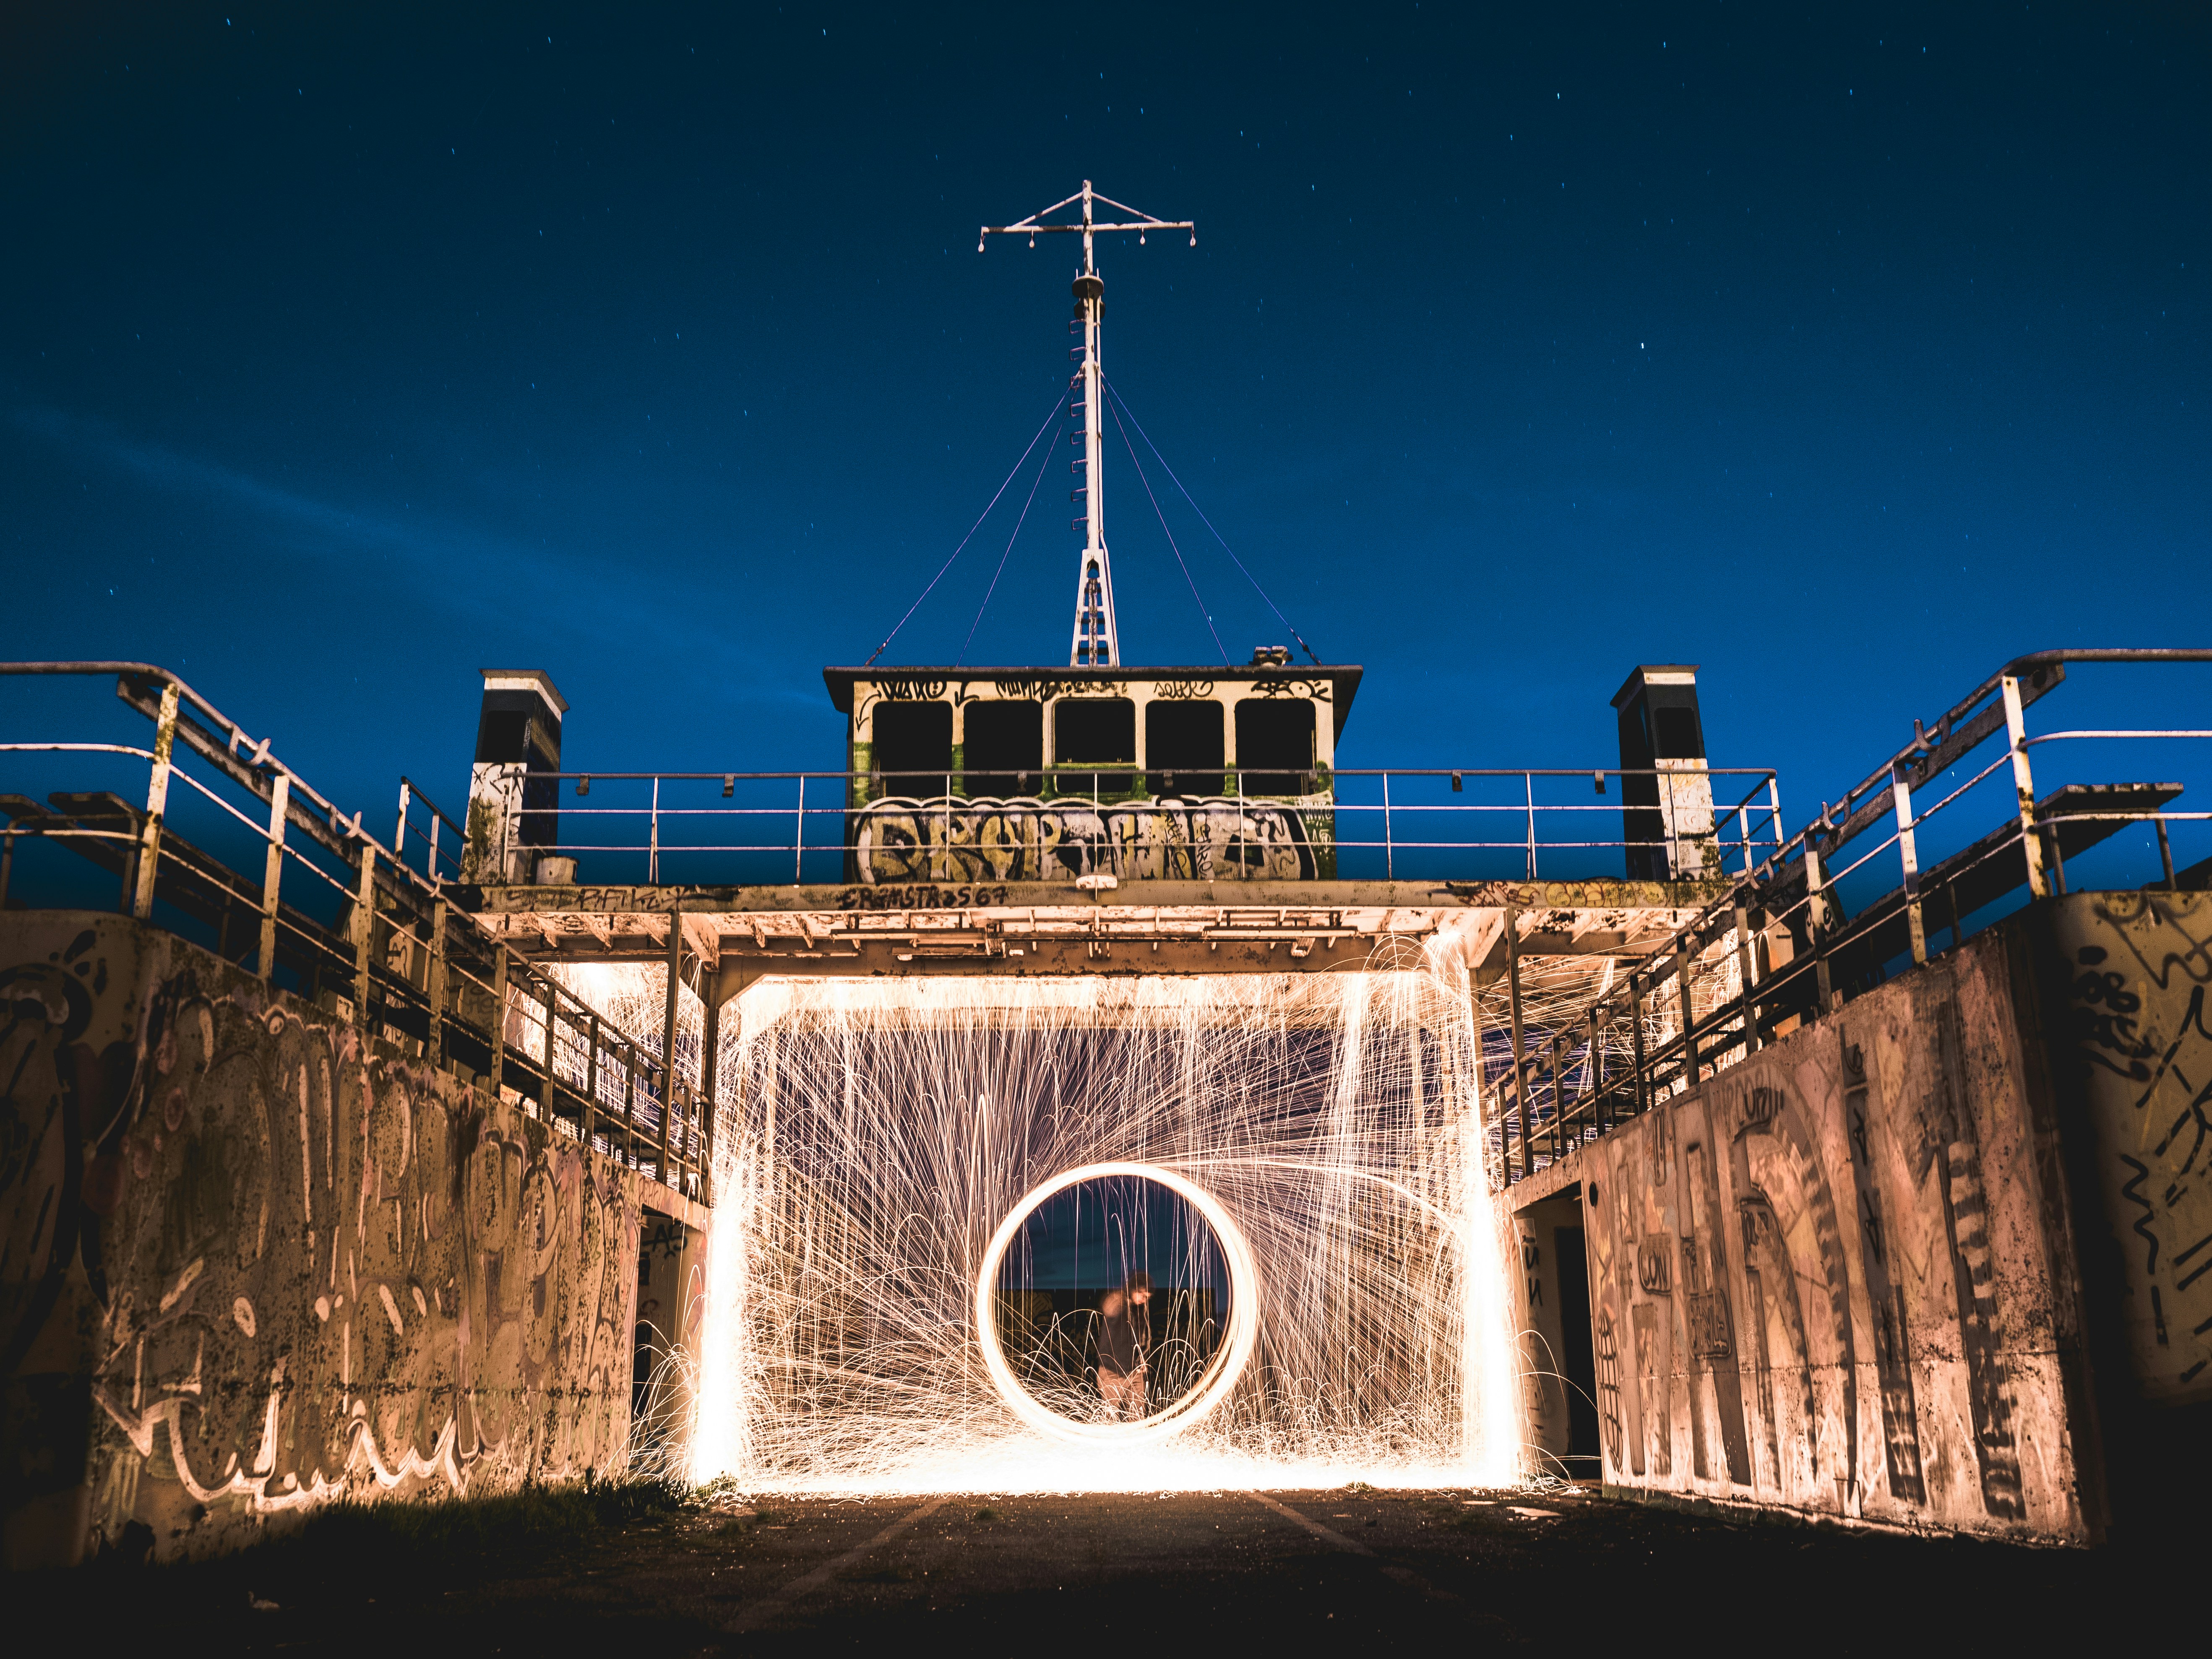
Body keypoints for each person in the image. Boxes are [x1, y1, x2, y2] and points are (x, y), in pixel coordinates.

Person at [1096, 1272, 1152, 1420]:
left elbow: (1139, 1341)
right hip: (1112, 1373)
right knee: (1111, 1418)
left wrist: (1142, 1359)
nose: (1144, 1300)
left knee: (1138, 1417)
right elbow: (1109, 1308)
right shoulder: (1118, 1300)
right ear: (1133, 1290)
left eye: (1147, 1297)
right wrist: (1121, 1298)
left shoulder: (1139, 1311)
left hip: (1135, 1373)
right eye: (1142, 1295)